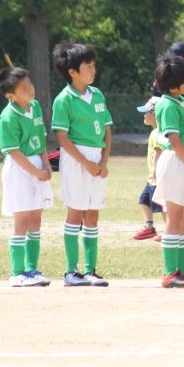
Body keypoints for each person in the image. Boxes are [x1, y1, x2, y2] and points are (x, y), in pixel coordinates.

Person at [51, 42, 113, 287]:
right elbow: (62, 139)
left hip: (97, 158)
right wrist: (86, 163)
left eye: (93, 64)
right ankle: (71, 271)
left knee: (93, 213)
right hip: (77, 160)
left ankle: (90, 270)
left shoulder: (97, 95)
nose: (93, 69)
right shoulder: (63, 99)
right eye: (87, 65)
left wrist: (104, 161)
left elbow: (107, 131)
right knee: (75, 212)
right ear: (72, 72)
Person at [0, 67, 52, 287]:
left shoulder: (34, 107)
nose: (30, 90)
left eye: (30, 85)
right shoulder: (8, 117)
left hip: (38, 165)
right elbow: (14, 152)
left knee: (36, 219)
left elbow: (41, 138)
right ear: (11, 95)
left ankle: (31, 269)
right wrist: (36, 171)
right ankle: (17, 273)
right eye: (23, 88)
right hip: (20, 169)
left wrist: (46, 164)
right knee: (22, 220)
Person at [152, 55, 184, 288]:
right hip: (174, 161)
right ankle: (170, 272)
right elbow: (174, 140)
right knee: (173, 218)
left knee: (182, 218)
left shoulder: (178, 101)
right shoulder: (167, 104)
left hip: (182, 161)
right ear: (173, 86)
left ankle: (182, 268)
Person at [132, 97, 165, 241]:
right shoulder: (155, 132)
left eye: (146, 112)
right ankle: (149, 227)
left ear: (155, 114)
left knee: (163, 204)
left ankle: (169, 229)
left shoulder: (158, 132)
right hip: (152, 177)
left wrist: (155, 172)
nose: (144, 115)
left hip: (158, 176)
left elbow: (158, 152)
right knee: (144, 199)